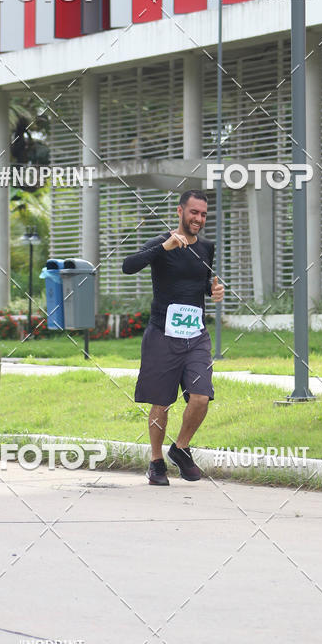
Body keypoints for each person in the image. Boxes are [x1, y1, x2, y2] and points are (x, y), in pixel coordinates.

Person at [122, 190, 224, 486]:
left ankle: (179, 449)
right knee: (161, 402)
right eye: (194, 212)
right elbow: (128, 266)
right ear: (180, 211)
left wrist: (213, 291)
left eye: (204, 214)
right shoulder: (160, 243)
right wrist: (164, 247)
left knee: (201, 396)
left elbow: (200, 283)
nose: (199, 219)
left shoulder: (206, 247)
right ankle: (156, 462)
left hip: (195, 334)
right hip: (162, 333)